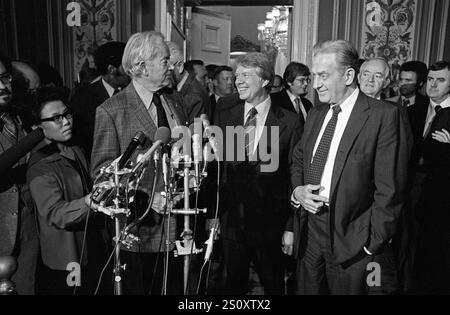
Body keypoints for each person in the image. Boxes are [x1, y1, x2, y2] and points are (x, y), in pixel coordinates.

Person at [287, 40, 408, 295]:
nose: (315, 84)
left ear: (349, 75)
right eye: (314, 75)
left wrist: (372, 243)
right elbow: (298, 159)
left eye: (323, 76)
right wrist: (298, 191)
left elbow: (390, 187)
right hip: (310, 232)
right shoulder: (317, 113)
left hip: (353, 239)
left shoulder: (383, 116)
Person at [90, 31, 186, 295]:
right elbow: (102, 177)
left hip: (179, 228)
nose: (172, 66)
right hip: (140, 232)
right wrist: (147, 197)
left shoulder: (173, 100)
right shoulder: (112, 111)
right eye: (165, 61)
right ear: (141, 67)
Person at [213, 52, 301, 294]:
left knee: (273, 286)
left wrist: (291, 226)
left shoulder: (290, 122)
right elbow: (219, 170)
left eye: (245, 75)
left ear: (264, 81)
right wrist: (215, 215)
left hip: (271, 224)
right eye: (236, 75)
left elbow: (295, 175)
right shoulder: (225, 114)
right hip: (232, 222)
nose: (237, 81)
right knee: (233, 287)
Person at [26, 86, 96, 294]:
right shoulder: (39, 166)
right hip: (66, 259)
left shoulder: (75, 148)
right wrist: (88, 202)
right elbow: (56, 213)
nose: (66, 122)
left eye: (66, 114)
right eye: (56, 118)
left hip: (90, 247)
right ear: (36, 127)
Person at [358, 57, 413, 294]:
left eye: (377, 76)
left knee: (375, 280)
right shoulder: (339, 109)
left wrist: (384, 225)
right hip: (344, 216)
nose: (370, 80)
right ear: (357, 77)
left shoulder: (394, 113)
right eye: (366, 74)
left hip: (375, 213)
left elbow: (399, 170)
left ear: (387, 81)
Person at [0, 52, 39, 295]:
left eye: (4, 77)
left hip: (27, 230)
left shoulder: (19, 117)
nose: (2, 86)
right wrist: (38, 135)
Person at [413, 60, 450, 294]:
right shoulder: (414, 109)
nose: (433, 85)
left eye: (441, 80)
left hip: (441, 198)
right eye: (430, 79)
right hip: (409, 189)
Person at [70, 41, 130, 158]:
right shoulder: (83, 97)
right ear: (112, 69)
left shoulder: (132, 91)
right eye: (126, 66)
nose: (130, 71)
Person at [166, 41, 209, 125]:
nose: (165, 73)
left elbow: (195, 134)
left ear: (180, 66)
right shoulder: (183, 88)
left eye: (168, 68)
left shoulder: (194, 95)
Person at [271, 62, 313, 133]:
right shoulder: (274, 101)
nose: (306, 84)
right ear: (289, 81)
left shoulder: (308, 104)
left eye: (307, 80)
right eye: (302, 80)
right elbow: (269, 134)